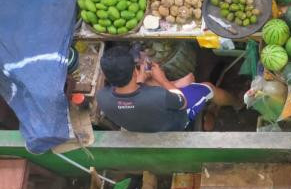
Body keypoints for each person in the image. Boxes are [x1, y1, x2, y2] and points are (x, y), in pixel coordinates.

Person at [97, 46, 241, 132]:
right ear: (135, 72)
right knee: (207, 87)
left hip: (144, 125)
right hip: (175, 123)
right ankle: (237, 103)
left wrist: (141, 81)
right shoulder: (158, 96)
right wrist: (161, 78)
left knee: (184, 81)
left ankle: (205, 105)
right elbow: (182, 101)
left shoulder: (102, 97)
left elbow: (135, 98)